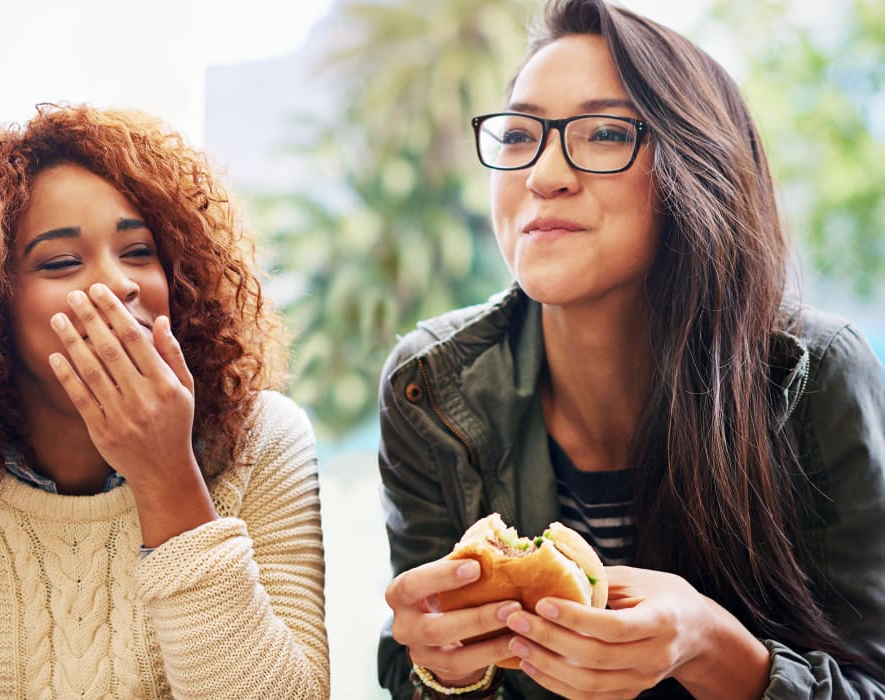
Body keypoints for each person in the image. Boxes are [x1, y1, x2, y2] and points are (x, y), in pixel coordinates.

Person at [376, 0, 885, 698]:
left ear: (697, 169)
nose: (543, 174)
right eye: (521, 134)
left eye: (606, 133)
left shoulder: (816, 376)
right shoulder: (429, 388)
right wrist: (442, 670)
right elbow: (412, 671)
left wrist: (713, 651)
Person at [0, 103, 330, 698]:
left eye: (140, 252)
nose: (119, 283)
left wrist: (168, 476)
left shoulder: (262, 444)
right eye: (62, 262)